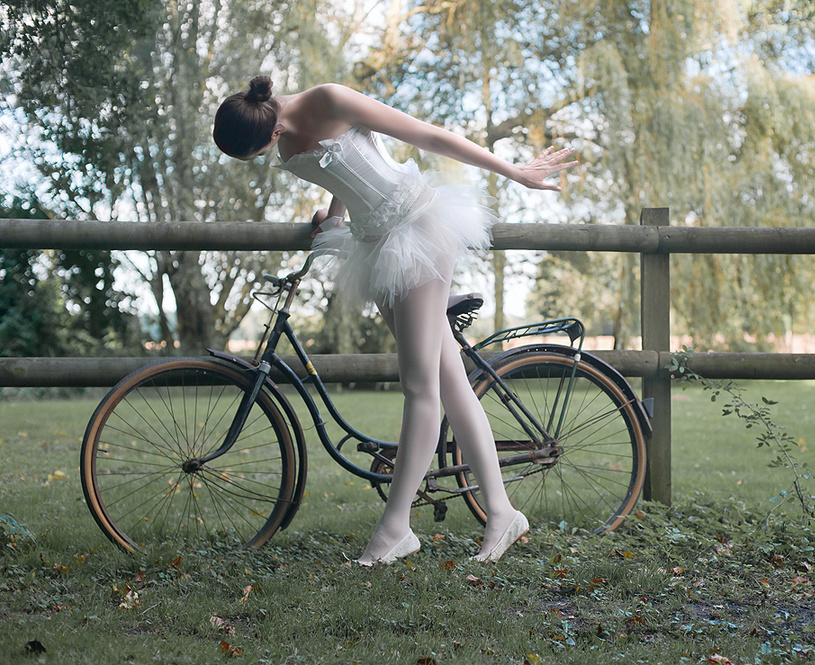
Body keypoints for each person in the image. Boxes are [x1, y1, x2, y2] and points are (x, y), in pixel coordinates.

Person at [213, 76, 576, 565]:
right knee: (449, 383)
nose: (266, 157)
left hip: (418, 229)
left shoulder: (330, 99)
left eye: (259, 153)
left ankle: (395, 527)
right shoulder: (283, 138)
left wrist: (515, 172)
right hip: (376, 246)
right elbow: (340, 174)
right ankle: (501, 513)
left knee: (419, 387)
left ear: (272, 130)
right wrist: (333, 217)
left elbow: (427, 135)